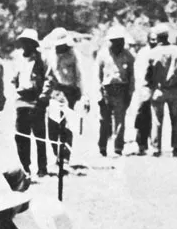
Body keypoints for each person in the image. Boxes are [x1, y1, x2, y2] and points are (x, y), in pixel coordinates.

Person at [42, 31, 88, 166]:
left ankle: (65, 156)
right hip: (55, 92)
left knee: (68, 125)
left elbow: (80, 76)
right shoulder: (49, 55)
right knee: (53, 125)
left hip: (71, 92)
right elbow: (46, 75)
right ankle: (57, 154)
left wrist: (84, 95)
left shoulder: (74, 55)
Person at [12, 29, 48, 176]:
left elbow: (49, 79)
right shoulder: (18, 59)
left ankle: (42, 168)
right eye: (23, 42)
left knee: (39, 136)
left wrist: (43, 97)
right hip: (21, 100)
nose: (25, 45)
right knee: (21, 136)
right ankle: (25, 167)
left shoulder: (41, 60)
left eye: (29, 42)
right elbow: (14, 79)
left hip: (36, 100)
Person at [96, 26, 135, 157]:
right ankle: (102, 147)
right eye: (115, 41)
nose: (118, 43)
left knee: (120, 121)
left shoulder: (128, 55)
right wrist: (98, 94)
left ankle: (118, 147)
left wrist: (130, 93)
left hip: (121, 90)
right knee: (104, 121)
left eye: (120, 40)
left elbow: (132, 76)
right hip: (106, 90)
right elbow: (97, 76)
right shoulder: (103, 54)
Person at [146, 23, 177, 157]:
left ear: (157, 38)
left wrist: (151, 86)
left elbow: (148, 74)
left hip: (158, 90)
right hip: (174, 90)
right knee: (175, 120)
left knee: (157, 121)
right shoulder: (175, 50)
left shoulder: (152, 53)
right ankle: (175, 147)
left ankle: (156, 148)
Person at [133, 31, 158, 155]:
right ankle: (141, 145)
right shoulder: (143, 53)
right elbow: (138, 71)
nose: (154, 41)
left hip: (157, 88)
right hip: (144, 88)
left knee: (155, 119)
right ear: (148, 39)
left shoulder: (160, 51)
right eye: (152, 39)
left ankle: (155, 145)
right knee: (142, 116)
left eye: (156, 39)